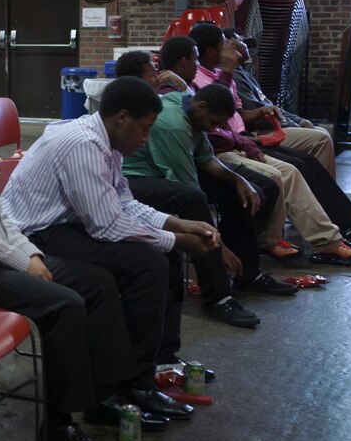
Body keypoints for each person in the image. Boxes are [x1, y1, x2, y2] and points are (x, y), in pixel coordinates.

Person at [0, 56, 165, 441]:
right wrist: (19, 260)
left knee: (97, 281)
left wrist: (28, 251)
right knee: (63, 304)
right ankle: (60, 427)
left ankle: (103, 395)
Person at [0, 75, 216, 416]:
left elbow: (124, 203)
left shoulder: (106, 142)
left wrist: (176, 223)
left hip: (64, 225)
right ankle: (135, 383)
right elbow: (107, 225)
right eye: (144, 129)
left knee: (163, 255)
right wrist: (175, 239)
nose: (146, 140)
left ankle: (154, 363)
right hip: (35, 234)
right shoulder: (82, 144)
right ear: (122, 119)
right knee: (149, 263)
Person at [160, 34, 351, 265]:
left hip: (233, 143)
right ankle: (280, 240)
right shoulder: (180, 90)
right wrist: (247, 144)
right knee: (283, 173)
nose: (234, 48)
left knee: (304, 158)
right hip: (228, 147)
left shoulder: (205, 83)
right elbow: (213, 133)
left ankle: (330, 228)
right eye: (195, 59)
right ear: (185, 61)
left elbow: (221, 125)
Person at [115, 52, 287, 327]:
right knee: (193, 200)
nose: (216, 129)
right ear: (201, 108)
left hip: (164, 173)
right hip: (133, 180)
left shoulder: (190, 107)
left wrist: (239, 181)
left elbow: (206, 159)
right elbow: (188, 187)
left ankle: (248, 274)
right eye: (215, 124)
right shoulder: (173, 124)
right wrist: (220, 248)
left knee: (249, 189)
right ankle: (217, 297)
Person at [190, 22, 351, 245]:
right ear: (210, 51)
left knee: (316, 147)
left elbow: (237, 114)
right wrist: (249, 138)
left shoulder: (225, 73)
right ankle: (325, 232)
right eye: (225, 43)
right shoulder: (208, 78)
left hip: (244, 136)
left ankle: (333, 217)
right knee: (296, 167)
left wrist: (261, 110)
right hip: (240, 140)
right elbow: (219, 124)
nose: (231, 47)